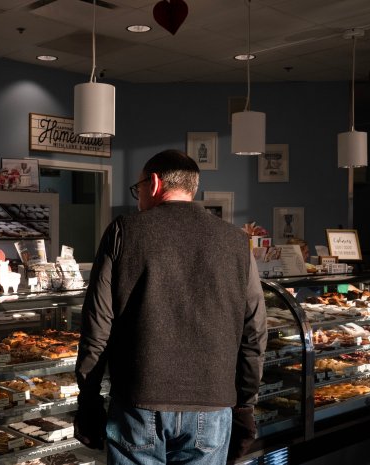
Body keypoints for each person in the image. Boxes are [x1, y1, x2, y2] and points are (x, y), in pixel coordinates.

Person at [74, 149, 267, 464]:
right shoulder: (234, 241)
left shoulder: (124, 231)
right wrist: (246, 405)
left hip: (138, 403)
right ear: (192, 188)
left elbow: (97, 326)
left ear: (152, 183)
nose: (138, 199)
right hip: (213, 405)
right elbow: (255, 332)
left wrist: (89, 401)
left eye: (138, 190)